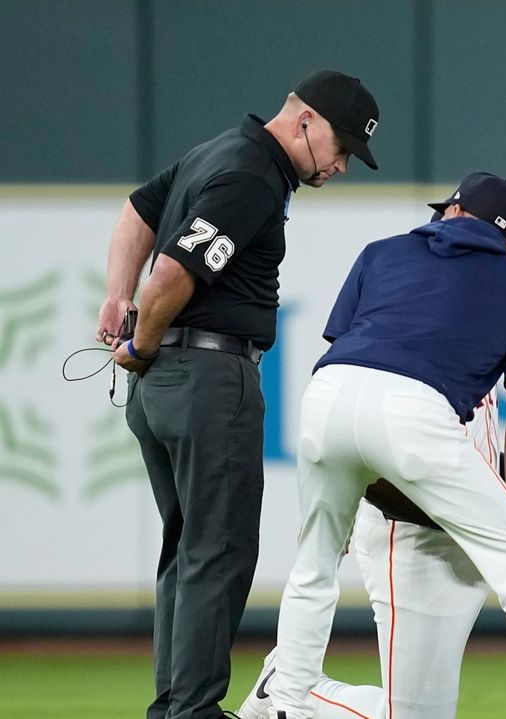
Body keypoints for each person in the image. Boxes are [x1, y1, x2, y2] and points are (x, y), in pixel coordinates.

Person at [95, 69, 379, 719]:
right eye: (341, 147)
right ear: (304, 120)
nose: (341, 165)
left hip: (163, 384)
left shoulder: (217, 151)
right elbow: (172, 272)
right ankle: (192, 709)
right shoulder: (254, 175)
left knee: (188, 546)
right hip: (206, 376)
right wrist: (140, 335)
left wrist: (117, 294)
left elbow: (139, 209)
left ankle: (174, 704)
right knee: (217, 551)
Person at [268, 172, 506, 719]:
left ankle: (286, 694)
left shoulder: (381, 252)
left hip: (327, 395)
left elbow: (352, 350)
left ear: (448, 214)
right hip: (411, 411)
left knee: (316, 558)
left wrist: (340, 486)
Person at [237, 389, 506, 719]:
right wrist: (339, 498)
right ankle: (291, 688)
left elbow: (452, 445)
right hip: (415, 539)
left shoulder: (502, 296)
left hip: (494, 515)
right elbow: (365, 434)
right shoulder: (402, 304)